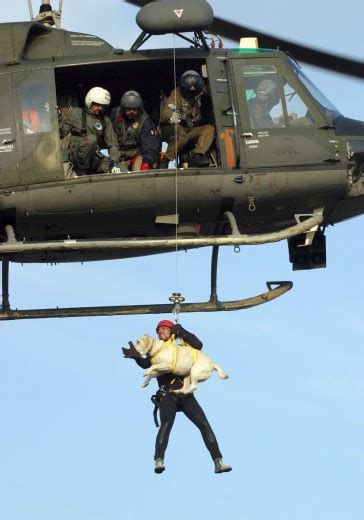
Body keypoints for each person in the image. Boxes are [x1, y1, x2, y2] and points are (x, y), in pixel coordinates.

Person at [122, 319, 232, 475]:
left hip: (185, 394)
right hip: (167, 395)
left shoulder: (181, 348)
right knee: (166, 424)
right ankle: (158, 459)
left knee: (204, 424)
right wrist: (137, 357)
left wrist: (182, 331)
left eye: (164, 329)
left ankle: (218, 461)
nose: (160, 332)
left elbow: (198, 345)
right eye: (158, 330)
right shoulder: (157, 352)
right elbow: (147, 364)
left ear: (171, 330)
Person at [159, 70, 215, 168]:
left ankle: (197, 155)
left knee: (209, 129)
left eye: (194, 92)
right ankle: (166, 160)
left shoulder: (200, 92)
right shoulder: (176, 94)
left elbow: (213, 89)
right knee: (181, 136)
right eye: (188, 92)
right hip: (175, 128)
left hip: (191, 129)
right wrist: (171, 116)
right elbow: (168, 110)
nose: (191, 94)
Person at [59, 87, 121, 175]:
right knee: (91, 139)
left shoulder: (105, 120)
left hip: (93, 157)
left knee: (121, 169)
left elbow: (112, 142)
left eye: (102, 106)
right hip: (77, 156)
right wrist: (57, 118)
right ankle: (81, 170)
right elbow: (60, 133)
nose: (100, 108)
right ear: (90, 102)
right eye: (97, 105)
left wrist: (114, 162)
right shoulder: (76, 113)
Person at [111, 90, 160, 171]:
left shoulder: (145, 121)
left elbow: (150, 145)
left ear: (139, 109)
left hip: (137, 156)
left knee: (140, 174)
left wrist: (146, 162)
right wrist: (114, 160)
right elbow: (109, 138)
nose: (131, 112)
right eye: (128, 109)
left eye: (134, 109)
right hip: (119, 157)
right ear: (123, 108)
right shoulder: (115, 115)